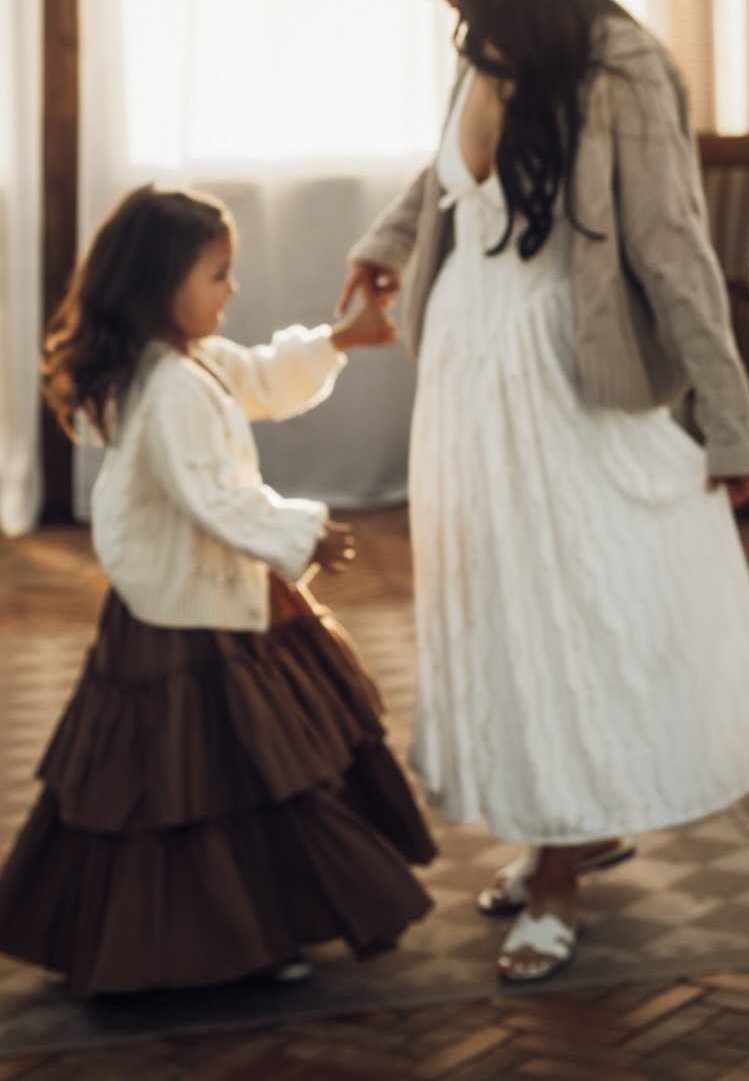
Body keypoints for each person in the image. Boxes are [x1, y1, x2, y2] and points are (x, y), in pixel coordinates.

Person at [341, 0, 749, 985]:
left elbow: (675, 252)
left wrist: (734, 420)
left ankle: (557, 871)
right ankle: (568, 824)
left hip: (569, 376)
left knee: (565, 612)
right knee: (496, 609)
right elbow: (444, 179)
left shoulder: (619, 64)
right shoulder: (483, 49)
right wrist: (386, 247)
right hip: (465, 373)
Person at [0, 184, 435, 998]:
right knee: (203, 780)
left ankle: (258, 926)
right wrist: (304, 533)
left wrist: (338, 339)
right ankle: (222, 939)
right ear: (158, 284)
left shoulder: (185, 358)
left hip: (209, 597)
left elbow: (263, 377)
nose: (231, 291)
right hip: (183, 618)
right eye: (217, 276)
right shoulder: (167, 389)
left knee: (239, 773)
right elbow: (215, 497)